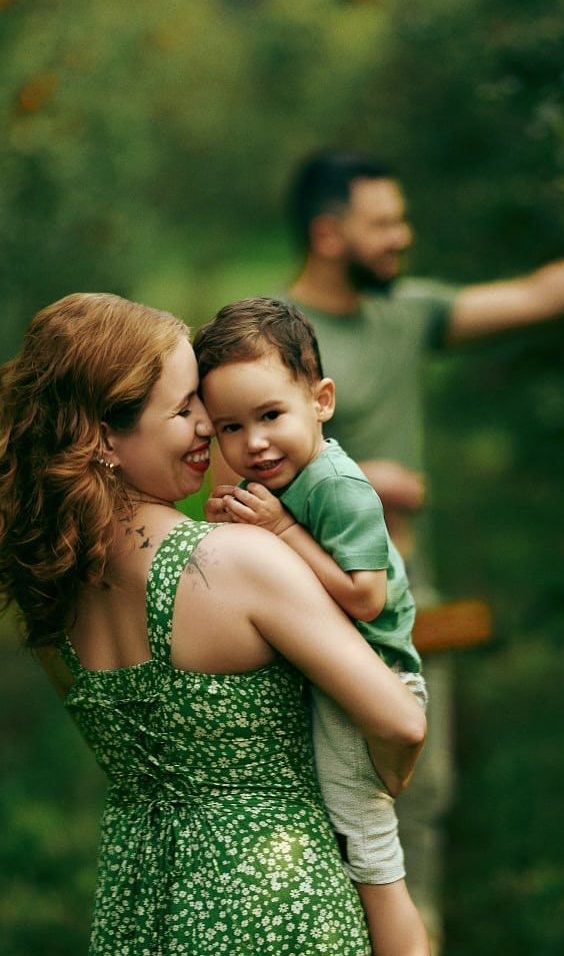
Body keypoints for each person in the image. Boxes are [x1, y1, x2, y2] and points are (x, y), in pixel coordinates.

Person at [283, 150, 564, 951]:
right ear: (327, 232)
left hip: (404, 601)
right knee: (320, 809)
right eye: (382, 223)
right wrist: (349, 474)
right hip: (303, 604)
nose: (401, 237)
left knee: (419, 798)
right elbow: (217, 472)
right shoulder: (271, 339)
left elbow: (538, 292)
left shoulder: (405, 311)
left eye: (401, 219)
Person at [0, 291, 426, 955]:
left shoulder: (49, 592)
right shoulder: (235, 562)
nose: (207, 427)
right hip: (277, 904)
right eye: (186, 408)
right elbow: (399, 721)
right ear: (105, 436)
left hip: (139, 909)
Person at [194, 297, 430, 956]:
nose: (254, 443)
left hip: (374, 682)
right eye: (229, 429)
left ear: (321, 400)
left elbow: (363, 594)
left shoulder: (334, 487)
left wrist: (281, 530)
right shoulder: (289, 477)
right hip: (342, 683)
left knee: (371, 854)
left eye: (270, 415)